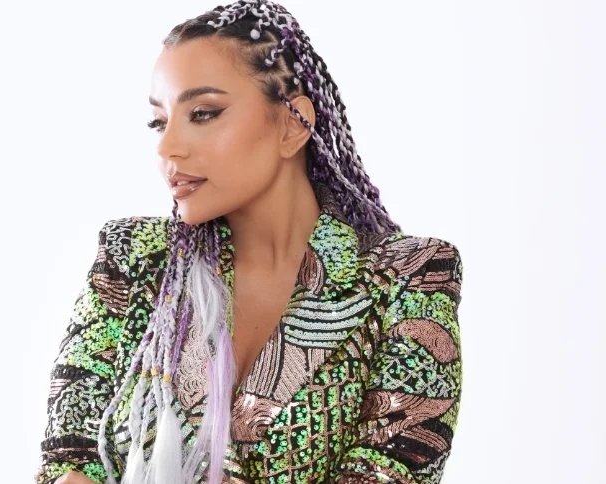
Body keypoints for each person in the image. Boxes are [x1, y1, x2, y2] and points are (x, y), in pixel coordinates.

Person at [34, 1, 464, 483]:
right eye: (159, 122)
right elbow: (67, 463)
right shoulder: (133, 260)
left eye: (203, 113)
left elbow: (393, 470)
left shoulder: (407, 277)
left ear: (293, 123)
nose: (167, 147)